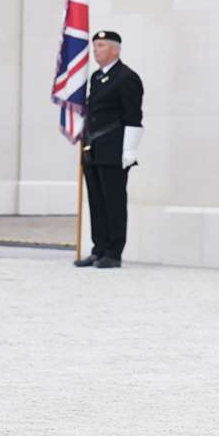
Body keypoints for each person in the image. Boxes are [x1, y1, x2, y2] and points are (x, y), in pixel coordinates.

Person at [75, 30, 143, 269]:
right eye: (95, 46)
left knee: (113, 201)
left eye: (101, 46)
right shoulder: (96, 77)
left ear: (115, 49)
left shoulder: (126, 77)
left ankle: (114, 252)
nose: (96, 50)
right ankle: (99, 248)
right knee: (96, 201)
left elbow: (133, 115)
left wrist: (129, 150)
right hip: (93, 147)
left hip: (114, 149)